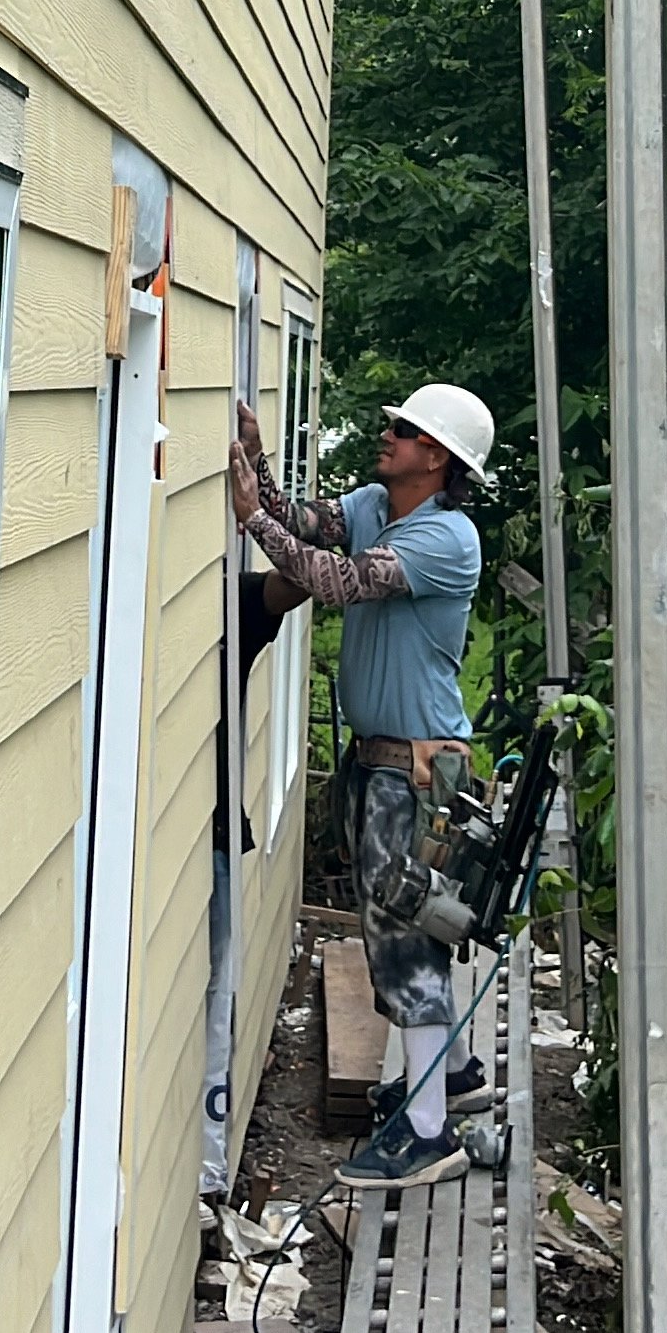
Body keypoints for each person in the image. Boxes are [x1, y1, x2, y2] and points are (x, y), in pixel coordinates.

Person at [229, 381, 494, 1189]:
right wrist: (256, 464)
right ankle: (442, 1076)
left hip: (415, 763)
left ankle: (429, 1134)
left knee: (403, 928)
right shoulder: (381, 501)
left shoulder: (448, 539)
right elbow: (307, 522)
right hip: (383, 756)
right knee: (405, 918)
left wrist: (249, 518)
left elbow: (337, 580)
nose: (388, 436)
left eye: (405, 431)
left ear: (439, 457)